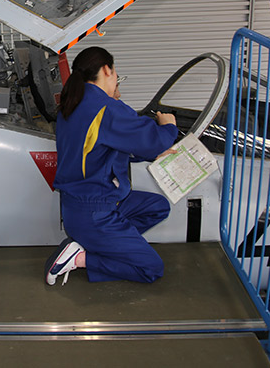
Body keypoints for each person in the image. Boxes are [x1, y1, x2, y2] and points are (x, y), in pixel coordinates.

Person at [45, 46, 178, 285]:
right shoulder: (105, 108)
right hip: (94, 211)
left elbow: (101, 150)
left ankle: (107, 243)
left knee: (157, 207)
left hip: (86, 203)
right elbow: (154, 140)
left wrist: (150, 156)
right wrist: (168, 126)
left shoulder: (74, 104)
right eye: (116, 73)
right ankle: (81, 258)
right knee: (151, 268)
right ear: (107, 69)